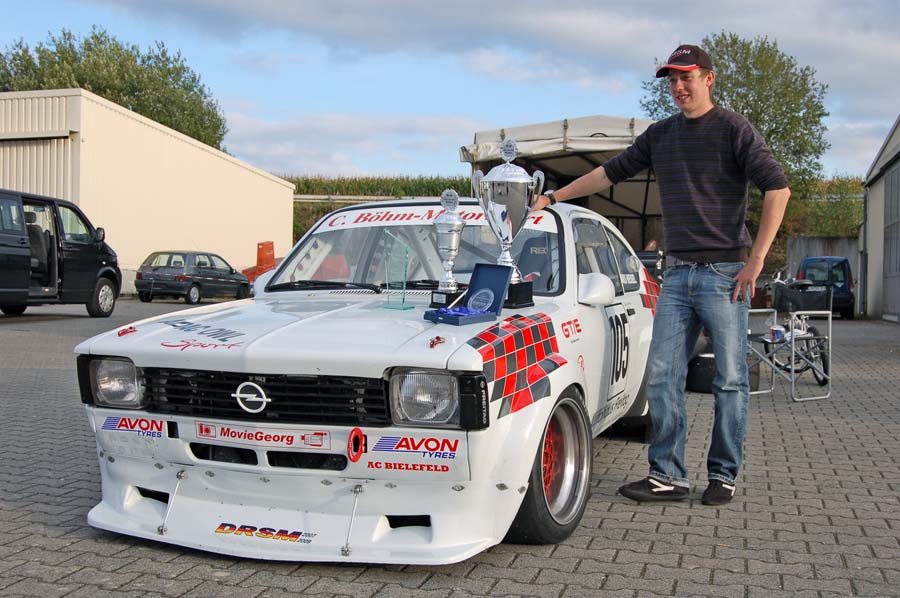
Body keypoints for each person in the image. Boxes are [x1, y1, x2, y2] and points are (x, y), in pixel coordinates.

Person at [535, 44, 790, 505]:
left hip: (725, 274)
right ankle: (667, 475)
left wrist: (756, 261)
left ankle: (723, 475)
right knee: (662, 375)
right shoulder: (661, 135)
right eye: (671, 80)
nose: (678, 87)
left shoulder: (734, 130)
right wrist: (555, 197)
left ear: (709, 79)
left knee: (730, 380)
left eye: (686, 77)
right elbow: (607, 174)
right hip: (676, 276)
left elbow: (779, 188)